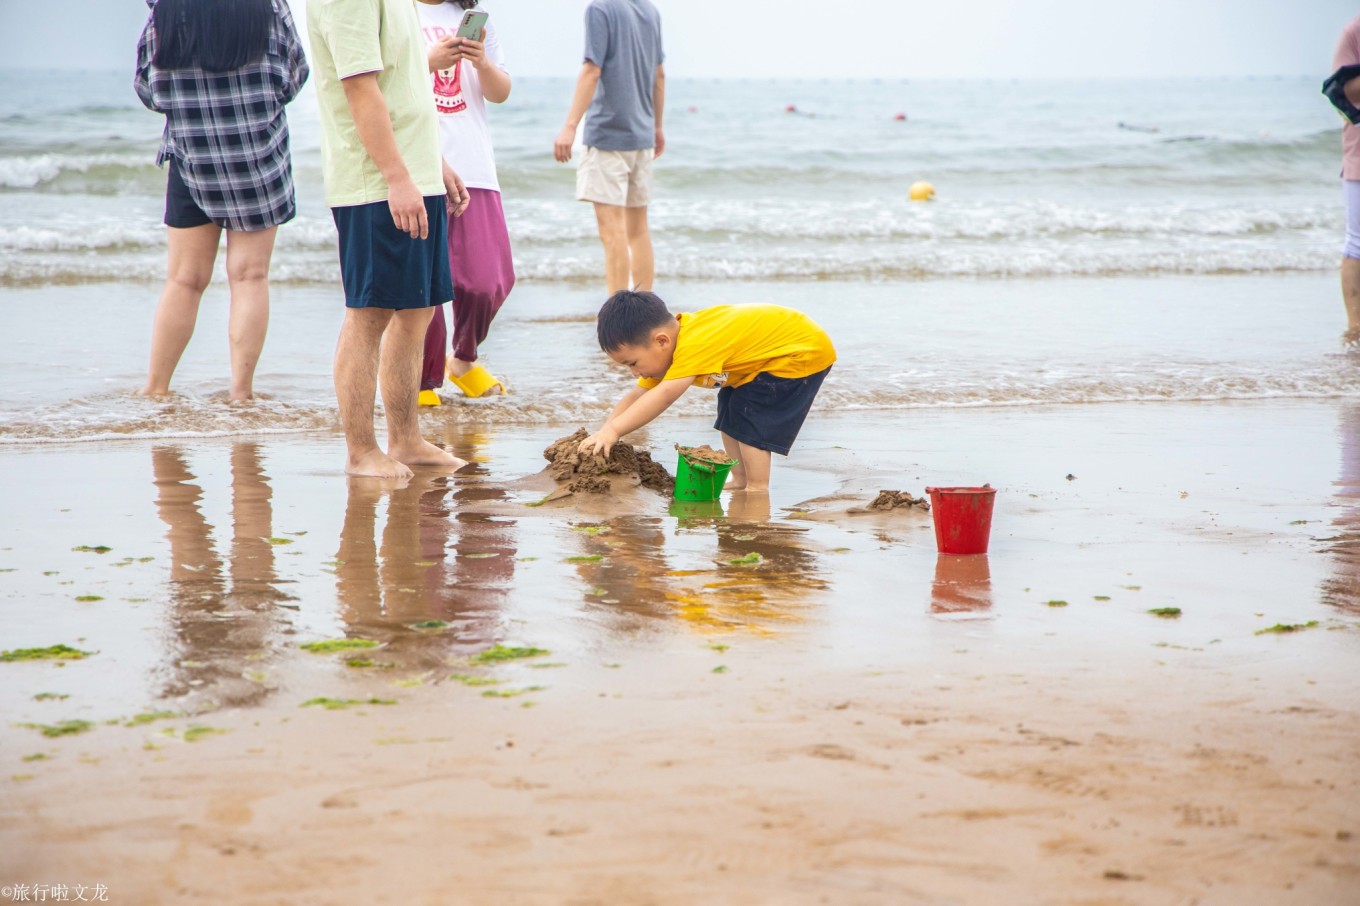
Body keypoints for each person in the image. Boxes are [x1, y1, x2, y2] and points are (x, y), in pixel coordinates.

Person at [308, 0, 471, 479]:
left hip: (415, 174)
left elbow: (404, 83)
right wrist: (397, 177)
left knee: (418, 309)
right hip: (374, 183)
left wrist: (432, 164)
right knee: (370, 312)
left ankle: (406, 439)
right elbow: (360, 89)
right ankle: (361, 451)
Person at [134, 0, 309, 401]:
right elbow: (294, 75)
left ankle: (155, 388)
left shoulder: (166, 10)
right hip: (257, 156)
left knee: (184, 279)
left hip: (192, 156)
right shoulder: (267, 6)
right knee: (249, 276)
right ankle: (241, 392)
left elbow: (147, 88)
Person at [580, 291, 836, 492]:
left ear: (661, 341)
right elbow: (637, 395)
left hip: (798, 352)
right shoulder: (672, 345)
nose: (634, 373)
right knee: (730, 413)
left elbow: (665, 395)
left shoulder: (695, 344)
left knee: (750, 417)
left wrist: (615, 431)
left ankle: (758, 487)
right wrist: (604, 430)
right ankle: (740, 478)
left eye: (632, 364)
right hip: (760, 360)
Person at [414, 0, 516, 404]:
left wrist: (482, 63)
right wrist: (429, 60)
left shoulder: (471, 17)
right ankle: (423, 380)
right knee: (425, 284)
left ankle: (464, 359)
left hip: (474, 165)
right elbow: (380, 82)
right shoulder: (395, 12)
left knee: (488, 280)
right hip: (420, 164)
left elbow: (500, 92)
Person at [553, 0, 665, 295]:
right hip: (641, 135)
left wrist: (570, 126)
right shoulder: (649, 10)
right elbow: (659, 75)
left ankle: (620, 320)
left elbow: (592, 70)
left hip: (608, 134)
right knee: (638, 229)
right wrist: (657, 126)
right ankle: (645, 309)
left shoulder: (600, 8)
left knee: (612, 232)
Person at [1333, 17, 1360, 349]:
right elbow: (1341, 89)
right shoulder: (1354, 31)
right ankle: (1355, 327)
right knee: (1357, 244)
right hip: (1359, 156)